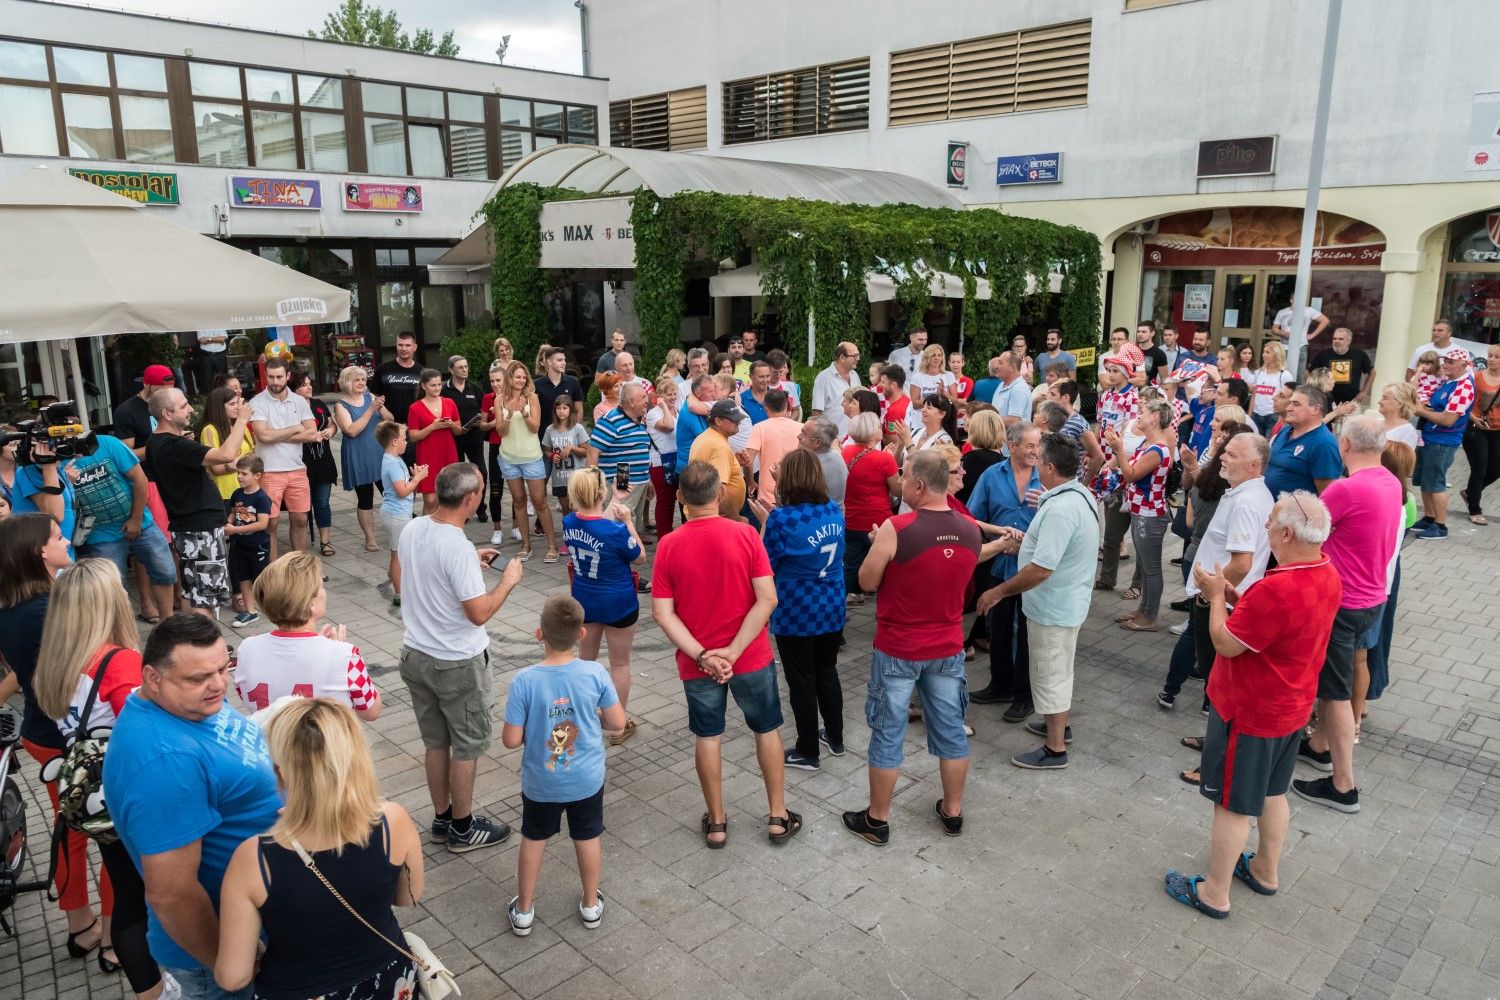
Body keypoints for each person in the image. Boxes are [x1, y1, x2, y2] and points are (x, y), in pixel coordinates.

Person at [1163, 493, 1340, 921]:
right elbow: (1270, 627)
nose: (1264, 529)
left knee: (1232, 803)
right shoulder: (1327, 572)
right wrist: (1234, 594)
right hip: (1292, 707)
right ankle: (1264, 871)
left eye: (1270, 523)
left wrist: (1216, 598)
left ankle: (1214, 893)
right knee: (1273, 792)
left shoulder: (1277, 587)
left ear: (1285, 533)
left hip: (1251, 712)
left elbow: (1225, 642)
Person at [103, 613, 282, 1000]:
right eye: (198, 678)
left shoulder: (187, 707)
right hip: (227, 945)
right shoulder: (164, 761)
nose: (218, 684)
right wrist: (233, 964)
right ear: (152, 677)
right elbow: (172, 894)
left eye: (222, 668)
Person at [214, 698, 424, 999]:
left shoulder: (254, 859)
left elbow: (233, 977)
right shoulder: (394, 820)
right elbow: (408, 897)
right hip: (388, 978)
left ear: (282, 772)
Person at [31, 559, 173, 998]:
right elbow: (147, 730)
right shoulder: (119, 661)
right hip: (135, 796)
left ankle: (146, 989)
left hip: (96, 797)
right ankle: (160, 984)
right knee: (153, 899)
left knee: (127, 896)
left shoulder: (54, 662)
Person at [651, 460, 800, 848]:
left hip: (696, 662)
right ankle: (777, 816)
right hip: (749, 657)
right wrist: (733, 651)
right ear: (719, 493)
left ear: (681, 497)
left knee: (708, 735)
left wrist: (704, 655)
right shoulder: (747, 535)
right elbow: (767, 599)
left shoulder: (668, 545)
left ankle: (717, 821)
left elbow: (662, 613)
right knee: (766, 729)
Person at [843, 451, 981, 844]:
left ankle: (877, 819)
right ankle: (952, 812)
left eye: (903, 478)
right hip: (947, 646)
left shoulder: (896, 526)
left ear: (919, 485)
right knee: (951, 730)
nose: (899, 484)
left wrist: (878, 545)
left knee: (888, 732)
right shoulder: (970, 528)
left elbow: (867, 582)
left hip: (899, 647)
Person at [0, 517, 113, 971]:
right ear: (38, 553)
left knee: (69, 829)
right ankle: (112, 935)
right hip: (79, 736)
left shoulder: (10, 608)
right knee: (110, 836)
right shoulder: (53, 610)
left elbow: (20, 674)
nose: (65, 539)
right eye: (56, 536)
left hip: (41, 736)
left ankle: (79, 926)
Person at [397, 463, 522, 853]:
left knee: (436, 742)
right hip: (455, 661)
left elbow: (420, 573)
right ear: (470, 499)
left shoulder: (415, 527)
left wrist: (472, 556)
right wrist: (507, 581)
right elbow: (479, 612)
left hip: (415, 652)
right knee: (466, 745)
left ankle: (442, 818)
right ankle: (464, 829)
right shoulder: (456, 546)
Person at [1293, 417, 1401, 814]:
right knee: (1332, 682)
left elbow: (1306, 529)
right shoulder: (1389, 480)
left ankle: (1343, 785)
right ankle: (1320, 746)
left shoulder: (1346, 488)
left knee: (1336, 694)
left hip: (1343, 602)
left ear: (1345, 446)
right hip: (1372, 597)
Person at [974, 434, 1100, 768]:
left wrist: (998, 591)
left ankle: (1055, 748)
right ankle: (1060, 724)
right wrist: (1022, 545)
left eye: (1039, 457)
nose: (1035, 461)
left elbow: (1042, 569)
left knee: (1050, 674)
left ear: (1049, 466)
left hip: (1052, 606)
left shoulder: (1059, 508)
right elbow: (1055, 548)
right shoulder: (1078, 495)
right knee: (1060, 668)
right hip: (1066, 601)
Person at [499, 594, 622, 936]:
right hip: (586, 779)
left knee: (534, 837)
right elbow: (618, 723)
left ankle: (523, 911)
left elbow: (510, 740)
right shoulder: (595, 672)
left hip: (541, 782)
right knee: (587, 836)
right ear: (582, 634)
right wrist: (594, 715)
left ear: (540, 634)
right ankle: (590, 905)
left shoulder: (524, 680)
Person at [1157, 431, 1272, 717]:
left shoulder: (1246, 502)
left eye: (1232, 454)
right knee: (1214, 668)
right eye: (1226, 450)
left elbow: (1243, 563)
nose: (1222, 456)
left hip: (1221, 601)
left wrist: (1210, 595)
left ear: (1254, 466)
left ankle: (1214, 725)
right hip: (1222, 597)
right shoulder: (1244, 492)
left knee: (1217, 671)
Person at [749, 449, 845, 771]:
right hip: (832, 605)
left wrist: (766, 521)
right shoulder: (832, 510)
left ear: (786, 480)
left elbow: (764, 565)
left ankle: (807, 751)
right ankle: (834, 737)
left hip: (797, 613)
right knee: (827, 672)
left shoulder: (782, 519)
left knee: (802, 682)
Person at [232, 552, 380, 720]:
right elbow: (371, 711)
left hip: (267, 743)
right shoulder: (345, 655)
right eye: (321, 587)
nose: (325, 592)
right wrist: (336, 649)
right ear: (311, 603)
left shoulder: (247, 648)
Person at [146, 389, 250, 619]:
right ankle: (209, 649)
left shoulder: (156, 442)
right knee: (206, 595)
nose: (191, 409)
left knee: (192, 592)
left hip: (187, 527)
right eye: (183, 406)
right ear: (166, 414)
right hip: (200, 530)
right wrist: (242, 419)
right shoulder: (176, 446)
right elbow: (226, 453)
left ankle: (193, 644)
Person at [562, 466, 646, 746]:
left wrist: (615, 500)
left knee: (586, 661)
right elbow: (640, 557)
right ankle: (617, 724)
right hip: (619, 602)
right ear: (600, 491)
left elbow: (593, 524)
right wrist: (628, 520)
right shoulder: (616, 530)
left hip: (585, 599)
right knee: (619, 663)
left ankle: (584, 718)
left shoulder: (569, 522)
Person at [966, 422, 1042, 719]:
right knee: (998, 629)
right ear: (1013, 446)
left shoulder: (1046, 477)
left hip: (1032, 569)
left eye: (1038, 445)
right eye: (1031, 445)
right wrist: (997, 541)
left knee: (1026, 633)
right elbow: (973, 517)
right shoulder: (991, 476)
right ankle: (1000, 685)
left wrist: (1048, 497)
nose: (1036, 451)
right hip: (998, 565)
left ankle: (1024, 695)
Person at [64, 428, 176, 624]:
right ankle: (123, 633)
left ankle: (168, 623)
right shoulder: (57, 461)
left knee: (165, 572)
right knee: (113, 588)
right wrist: (65, 481)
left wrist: (136, 519)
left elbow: (140, 479)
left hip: (142, 524)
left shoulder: (107, 443)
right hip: (101, 534)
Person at [1106, 399, 1176, 631]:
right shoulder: (1149, 443)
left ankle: (1150, 616)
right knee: (1146, 566)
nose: (1139, 414)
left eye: (1144, 411)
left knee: (1152, 567)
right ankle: (1144, 610)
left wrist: (1118, 450)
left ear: (1156, 417)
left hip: (1150, 514)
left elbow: (1132, 474)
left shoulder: (1157, 449)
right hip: (1141, 510)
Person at [247, 358, 317, 559]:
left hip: (297, 469)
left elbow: (312, 433)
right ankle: (274, 569)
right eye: (271, 377)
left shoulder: (299, 400)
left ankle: (298, 565)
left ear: (288, 376)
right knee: (270, 522)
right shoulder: (257, 402)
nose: (275, 381)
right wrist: (296, 428)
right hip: (269, 470)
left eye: (279, 376)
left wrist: (277, 433)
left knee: (301, 519)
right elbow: (264, 436)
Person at [494, 360, 559, 563]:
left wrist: (523, 412)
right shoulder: (499, 399)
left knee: (539, 501)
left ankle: (552, 545)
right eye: (517, 377)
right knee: (519, 501)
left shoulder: (532, 397)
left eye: (524, 377)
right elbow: (500, 431)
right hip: (509, 457)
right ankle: (526, 545)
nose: (521, 380)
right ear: (509, 378)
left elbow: (535, 427)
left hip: (531, 457)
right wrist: (510, 414)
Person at [1411, 347, 1477, 540]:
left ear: (1464, 365)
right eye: (1445, 361)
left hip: (1442, 440)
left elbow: (1449, 420)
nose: (1445, 365)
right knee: (1425, 480)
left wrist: (1421, 411)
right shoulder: (1449, 381)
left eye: (1451, 362)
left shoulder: (1463, 386)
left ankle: (1440, 525)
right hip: (1430, 436)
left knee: (1436, 482)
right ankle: (1430, 518)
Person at [839, 412, 900, 604]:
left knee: (850, 563)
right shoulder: (883, 459)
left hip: (851, 519)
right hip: (878, 521)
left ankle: (840, 600)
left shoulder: (844, 453)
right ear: (873, 432)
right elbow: (898, 490)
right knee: (886, 564)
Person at [333, 365, 391, 553]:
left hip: (378, 452)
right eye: (357, 379)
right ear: (347, 382)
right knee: (365, 498)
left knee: (390, 494)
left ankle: (396, 531)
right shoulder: (341, 405)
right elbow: (351, 430)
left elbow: (390, 420)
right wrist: (370, 410)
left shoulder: (371, 397)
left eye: (363, 379)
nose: (361, 383)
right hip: (358, 454)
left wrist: (380, 409)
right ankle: (370, 538)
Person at [589, 380, 655, 528]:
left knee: (633, 525)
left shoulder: (639, 420)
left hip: (639, 481)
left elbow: (640, 451)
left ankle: (631, 548)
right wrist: (595, 483)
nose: (647, 401)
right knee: (619, 523)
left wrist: (647, 478)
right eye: (643, 397)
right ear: (631, 402)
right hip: (622, 476)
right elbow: (592, 451)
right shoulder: (610, 420)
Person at [376, 422, 426, 610]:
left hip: (397, 513)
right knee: (398, 555)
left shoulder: (394, 459)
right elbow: (402, 492)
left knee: (398, 553)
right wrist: (417, 479)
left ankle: (400, 585)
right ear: (395, 441)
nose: (407, 442)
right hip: (397, 515)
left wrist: (413, 476)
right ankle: (400, 594)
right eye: (404, 439)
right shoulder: (393, 462)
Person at [289, 372, 338, 557]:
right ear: (294, 389)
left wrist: (330, 431)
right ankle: (303, 541)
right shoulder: (290, 408)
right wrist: (310, 436)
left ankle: (325, 540)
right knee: (302, 506)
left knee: (323, 502)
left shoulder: (318, 404)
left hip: (323, 460)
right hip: (301, 461)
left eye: (310, 384)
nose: (309, 387)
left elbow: (333, 425)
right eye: (303, 385)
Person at [1264, 386, 1342, 498]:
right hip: (1270, 510)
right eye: (1290, 403)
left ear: (1315, 409)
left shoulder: (1324, 443)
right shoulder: (1286, 430)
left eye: (1296, 404)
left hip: (1294, 514)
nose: (1288, 408)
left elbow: (1328, 495)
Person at [224, 456, 271, 628]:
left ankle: (274, 605)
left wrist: (234, 530)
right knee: (243, 577)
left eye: (244, 473)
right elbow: (233, 513)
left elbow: (262, 524)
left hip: (258, 545)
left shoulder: (261, 498)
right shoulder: (237, 494)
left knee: (261, 578)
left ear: (257, 476)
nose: (239, 477)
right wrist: (228, 523)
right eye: (238, 473)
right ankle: (251, 611)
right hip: (239, 545)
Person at [406, 368, 460, 513]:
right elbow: (413, 436)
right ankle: (426, 533)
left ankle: (445, 531)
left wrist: (452, 425)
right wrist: (432, 427)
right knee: (430, 500)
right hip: (428, 455)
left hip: (448, 453)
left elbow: (458, 430)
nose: (437, 388)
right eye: (433, 385)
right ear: (424, 386)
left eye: (439, 384)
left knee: (449, 498)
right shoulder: (415, 408)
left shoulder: (449, 403)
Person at [443, 355, 489, 523]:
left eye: (466, 366)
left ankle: (480, 506)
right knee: (458, 475)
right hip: (453, 438)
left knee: (481, 473)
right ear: (451, 370)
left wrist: (479, 422)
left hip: (474, 437)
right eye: (460, 367)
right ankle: (462, 509)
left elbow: (485, 411)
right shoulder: (443, 390)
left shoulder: (475, 388)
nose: (464, 369)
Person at [688, 398, 749, 521]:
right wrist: (737, 519)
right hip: (718, 517)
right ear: (718, 421)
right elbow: (719, 491)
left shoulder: (706, 436)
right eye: (734, 419)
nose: (739, 422)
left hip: (704, 514)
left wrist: (734, 464)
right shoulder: (719, 446)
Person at [199, 386, 256, 513]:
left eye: (237, 403)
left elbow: (253, 455)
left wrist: (238, 461)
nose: (237, 407)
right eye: (232, 404)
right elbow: (216, 468)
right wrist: (239, 463)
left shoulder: (240, 425)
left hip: (247, 489)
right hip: (226, 493)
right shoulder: (210, 429)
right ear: (219, 406)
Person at [744, 388, 803, 510]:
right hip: (798, 489)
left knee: (768, 526)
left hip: (768, 493)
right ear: (787, 407)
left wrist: (750, 482)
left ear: (766, 408)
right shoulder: (802, 428)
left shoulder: (759, 428)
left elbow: (747, 460)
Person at [1462, 342, 1500, 526]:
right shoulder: (1475, 378)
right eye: (1490, 356)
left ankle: (1470, 492)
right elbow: (1463, 404)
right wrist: (1474, 419)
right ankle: (1475, 509)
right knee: (1480, 469)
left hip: (1497, 430)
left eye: (1497, 357)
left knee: (1496, 469)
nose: (1491, 360)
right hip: (1476, 428)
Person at [372, 331, 424, 458]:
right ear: (396, 345)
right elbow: (373, 395)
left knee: (412, 466)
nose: (403, 348)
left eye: (407, 345)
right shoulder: (383, 370)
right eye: (400, 345)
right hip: (390, 428)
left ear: (415, 347)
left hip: (413, 429)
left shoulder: (422, 372)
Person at [544, 394, 590, 519]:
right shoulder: (550, 430)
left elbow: (587, 451)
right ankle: (568, 535)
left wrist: (572, 448)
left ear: (570, 410)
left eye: (565, 408)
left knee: (577, 509)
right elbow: (546, 450)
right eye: (558, 408)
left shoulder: (577, 428)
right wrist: (552, 455)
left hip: (576, 477)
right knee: (566, 509)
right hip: (560, 477)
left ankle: (580, 534)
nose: (561, 411)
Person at [645, 377, 680, 536]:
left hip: (677, 459)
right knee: (665, 502)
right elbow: (668, 426)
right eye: (668, 394)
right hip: (660, 462)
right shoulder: (653, 414)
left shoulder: (678, 411)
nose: (672, 397)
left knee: (678, 499)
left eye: (674, 394)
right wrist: (664, 406)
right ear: (660, 396)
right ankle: (664, 536)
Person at [1309, 327, 1374, 409]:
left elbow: (1372, 372)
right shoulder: (1323, 354)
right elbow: (1309, 372)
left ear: (1349, 341)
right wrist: (1314, 390)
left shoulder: (1359, 355)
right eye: (1334, 338)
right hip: (1326, 401)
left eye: (1341, 339)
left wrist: (1365, 391)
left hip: (1351, 401)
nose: (1337, 341)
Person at [812, 341, 863, 436]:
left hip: (854, 437)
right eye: (855, 356)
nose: (858, 359)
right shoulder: (823, 378)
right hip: (834, 439)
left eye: (858, 355)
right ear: (842, 357)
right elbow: (816, 412)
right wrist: (826, 437)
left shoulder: (854, 375)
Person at [535, 344, 584, 438]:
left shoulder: (573, 381)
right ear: (548, 362)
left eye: (564, 359)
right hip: (544, 437)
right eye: (559, 360)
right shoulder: (537, 385)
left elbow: (579, 410)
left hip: (568, 437)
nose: (564, 363)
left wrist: (574, 433)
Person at [799, 416, 847, 508]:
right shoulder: (837, 456)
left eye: (803, 433)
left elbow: (795, 501)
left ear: (817, 443)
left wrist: (779, 479)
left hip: (817, 519)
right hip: (836, 517)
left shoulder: (810, 464)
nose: (798, 436)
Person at [1249, 342, 1294, 436]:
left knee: (1270, 444)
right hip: (1256, 414)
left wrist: (1280, 420)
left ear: (1276, 354)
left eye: (1268, 352)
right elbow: (1254, 396)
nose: (1263, 354)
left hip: (1273, 416)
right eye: (1264, 352)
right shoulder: (1258, 373)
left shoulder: (1284, 375)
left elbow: (1288, 398)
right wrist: (1249, 416)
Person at [989, 351, 1032, 427]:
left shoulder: (1019, 389)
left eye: (1000, 363)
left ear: (1011, 367)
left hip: (1012, 438)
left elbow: (1014, 421)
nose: (996, 366)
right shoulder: (1002, 385)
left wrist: (985, 419)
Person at [875, 364, 912, 447]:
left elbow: (892, 444)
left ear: (893, 385)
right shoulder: (905, 399)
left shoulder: (895, 411)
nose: (879, 385)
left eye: (883, 382)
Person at [1377, 382, 1421, 449]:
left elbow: (1400, 459)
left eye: (1384, 398)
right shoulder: (1377, 424)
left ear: (1399, 403)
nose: (1379, 402)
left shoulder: (1408, 433)